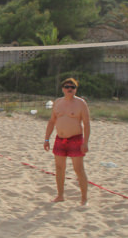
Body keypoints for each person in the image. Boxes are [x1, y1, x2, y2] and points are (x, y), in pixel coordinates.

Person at [43, 77, 91, 205]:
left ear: (75, 89)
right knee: (59, 168)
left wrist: (85, 142)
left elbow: (86, 123)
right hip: (60, 138)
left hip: (75, 139)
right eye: (67, 87)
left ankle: (84, 198)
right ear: (63, 88)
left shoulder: (81, 103)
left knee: (78, 169)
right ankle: (60, 195)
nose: (70, 89)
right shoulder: (58, 102)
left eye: (72, 87)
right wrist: (47, 139)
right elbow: (52, 121)